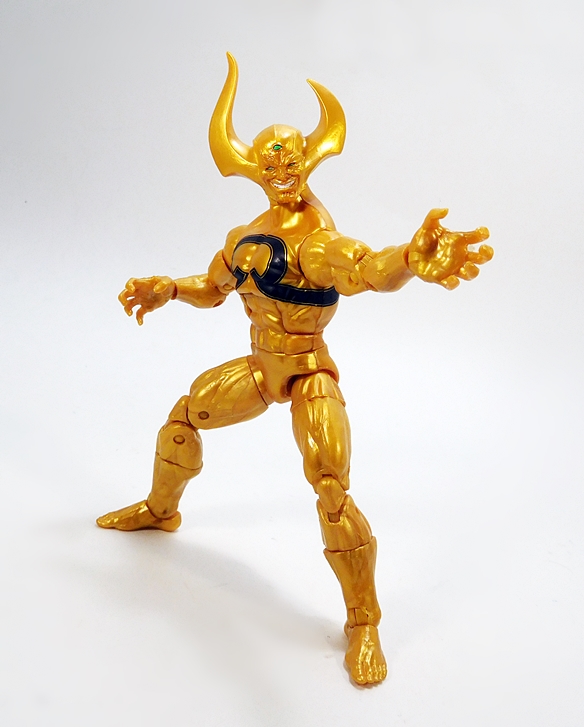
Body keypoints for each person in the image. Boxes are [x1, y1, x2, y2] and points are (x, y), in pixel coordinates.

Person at [97, 53, 492, 685]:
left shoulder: (316, 240)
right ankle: (160, 509)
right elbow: (213, 286)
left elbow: (364, 269)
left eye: (293, 161)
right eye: (271, 163)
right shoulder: (244, 237)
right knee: (184, 419)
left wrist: (410, 262)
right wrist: (167, 288)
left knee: (330, 488)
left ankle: (363, 622)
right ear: (252, 169)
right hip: (260, 369)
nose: (283, 172)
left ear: (311, 159)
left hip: (309, 373)